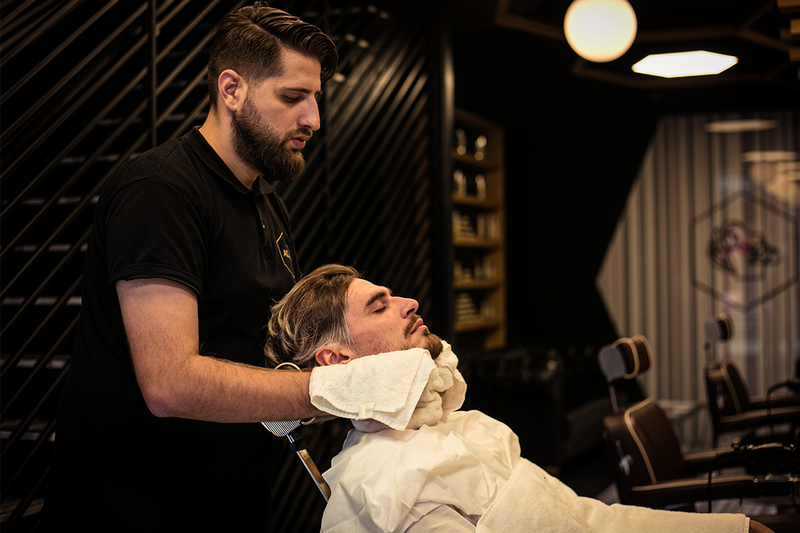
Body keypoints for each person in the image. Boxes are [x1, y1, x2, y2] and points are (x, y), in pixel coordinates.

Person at [41, 4, 337, 531]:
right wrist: (333, 390)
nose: (313, 118)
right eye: (293, 97)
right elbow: (169, 382)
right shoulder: (160, 191)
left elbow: (261, 345)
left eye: (315, 98)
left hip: (231, 502)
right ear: (232, 90)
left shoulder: (267, 203)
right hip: (137, 512)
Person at [264, 264, 776, 533]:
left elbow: (585, 519)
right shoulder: (383, 483)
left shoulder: (461, 427)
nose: (409, 302)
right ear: (338, 363)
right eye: (380, 306)